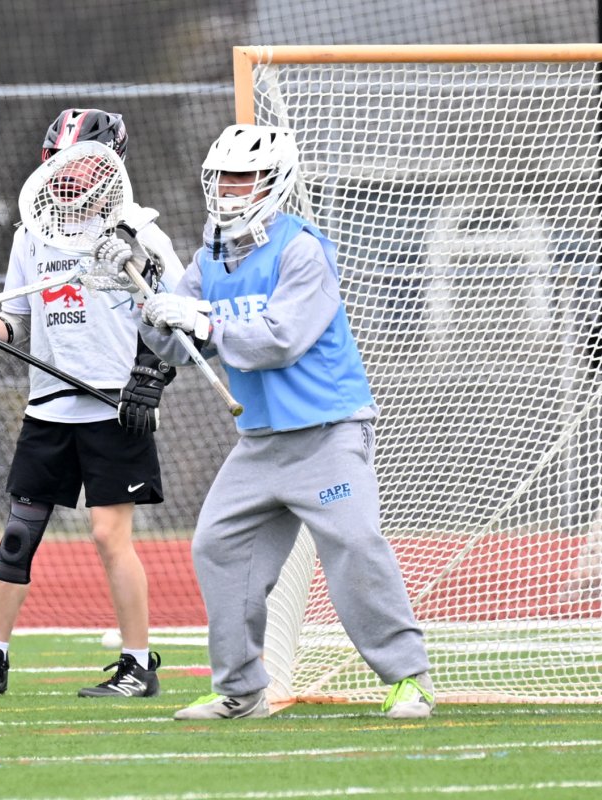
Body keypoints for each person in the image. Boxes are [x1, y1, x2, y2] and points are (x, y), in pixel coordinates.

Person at [93, 123, 435, 720]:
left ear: (275, 183)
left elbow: (282, 339)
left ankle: (409, 678)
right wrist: (146, 296)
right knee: (218, 546)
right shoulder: (208, 259)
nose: (230, 188)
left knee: (354, 543)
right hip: (259, 444)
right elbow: (177, 347)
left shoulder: (303, 249)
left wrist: (202, 321)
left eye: (244, 176)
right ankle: (241, 689)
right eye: (223, 176)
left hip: (326, 432)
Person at [0, 108, 183, 699]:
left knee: (107, 535)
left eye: (82, 165)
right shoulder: (30, 234)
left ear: (109, 164)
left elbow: (177, 319)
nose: (67, 177)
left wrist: (151, 376)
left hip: (115, 407)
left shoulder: (141, 235)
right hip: (48, 408)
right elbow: (17, 321)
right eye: (59, 165)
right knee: (18, 533)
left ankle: (138, 665)